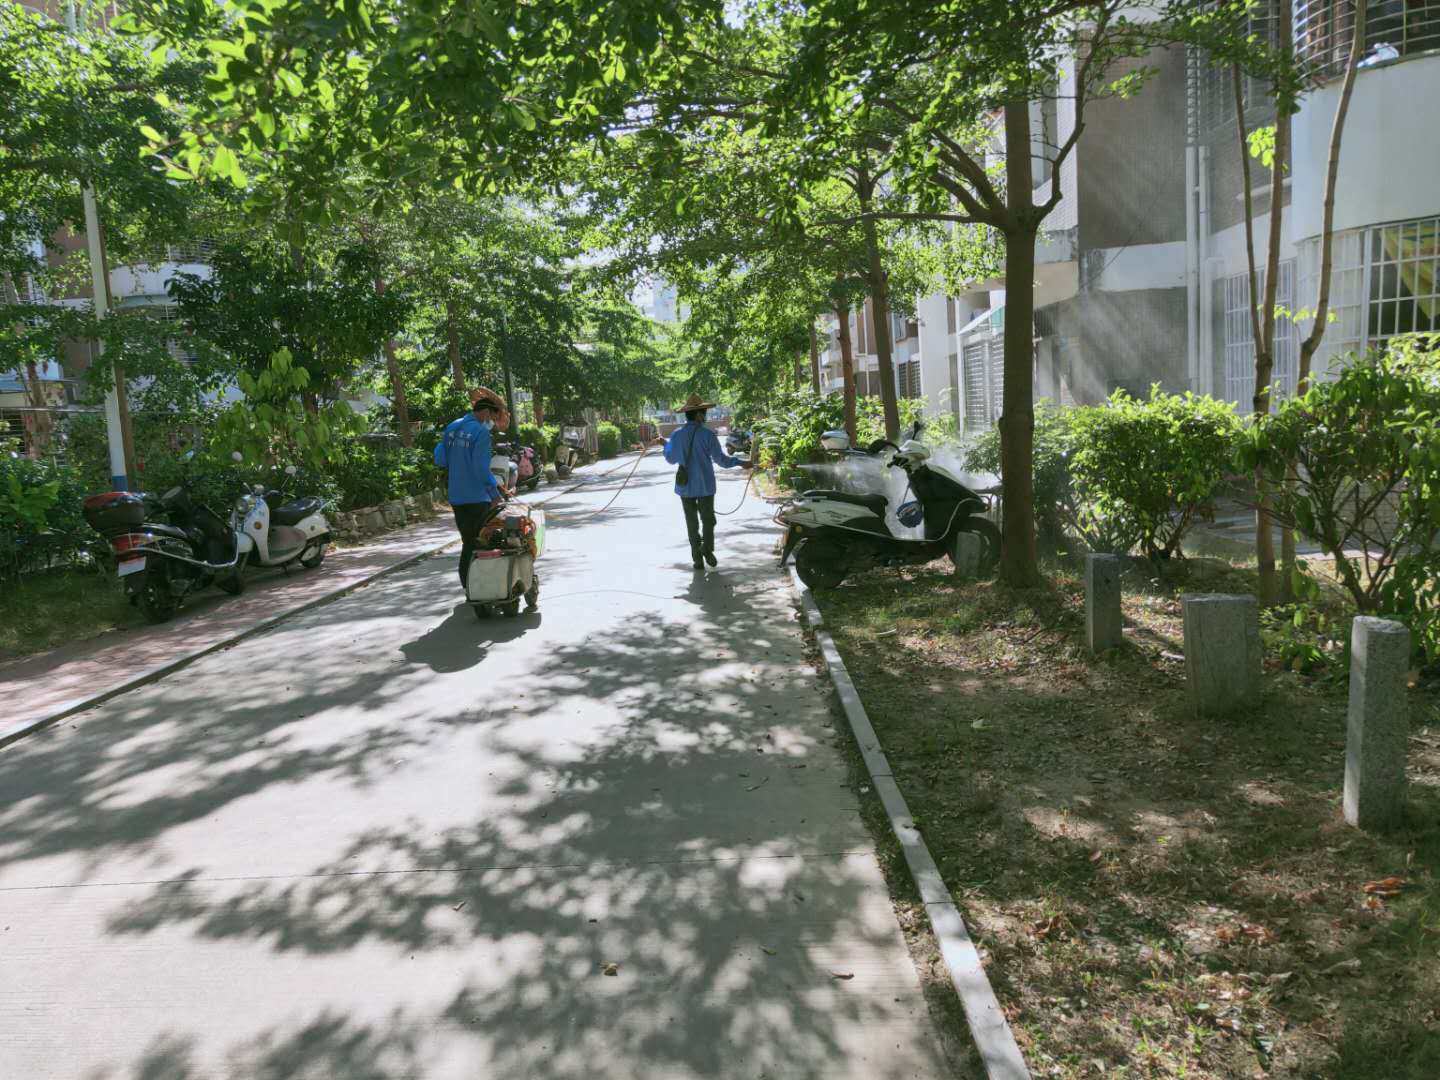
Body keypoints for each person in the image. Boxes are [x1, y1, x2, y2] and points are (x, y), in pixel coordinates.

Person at [663, 393, 750, 568]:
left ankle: (697, 559)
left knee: (692, 523)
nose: (706, 417)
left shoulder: (677, 435)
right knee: (708, 520)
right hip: (705, 486)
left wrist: (665, 446)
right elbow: (721, 461)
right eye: (705, 413)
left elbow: (671, 459)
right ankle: (707, 549)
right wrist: (740, 462)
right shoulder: (708, 435)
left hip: (685, 486)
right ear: (699, 415)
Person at [434, 391, 502, 590]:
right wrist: (494, 494)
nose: (492, 422)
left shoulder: (452, 427)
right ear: (486, 412)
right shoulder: (481, 432)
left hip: (456, 495)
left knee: (468, 541)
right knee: (482, 541)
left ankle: (468, 586)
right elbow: (480, 468)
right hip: (477, 496)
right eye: (493, 417)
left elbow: (440, 459)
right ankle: (482, 587)